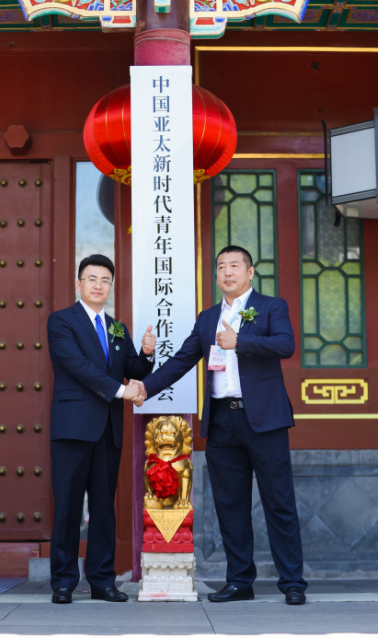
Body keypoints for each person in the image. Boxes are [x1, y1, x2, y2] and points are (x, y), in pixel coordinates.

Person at [130, 245, 307, 606]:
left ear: (250, 272)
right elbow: (181, 361)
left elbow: (286, 345)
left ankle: (292, 582)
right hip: (223, 420)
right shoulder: (208, 317)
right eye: (222, 266)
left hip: (264, 420)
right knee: (230, 505)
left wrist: (240, 341)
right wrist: (146, 386)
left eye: (235, 266)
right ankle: (240, 581)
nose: (227, 272)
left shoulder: (272, 307)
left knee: (279, 503)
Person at [47, 254, 153, 604]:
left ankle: (102, 581)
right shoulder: (61, 321)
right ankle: (64, 582)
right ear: (78, 284)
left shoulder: (116, 327)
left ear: (110, 286)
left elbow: (132, 368)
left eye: (105, 280)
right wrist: (122, 391)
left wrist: (146, 355)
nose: (98, 285)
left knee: (104, 507)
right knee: (68, 506)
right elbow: (76, 365)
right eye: (91, 279)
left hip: (108, 428)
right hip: (73, 427)